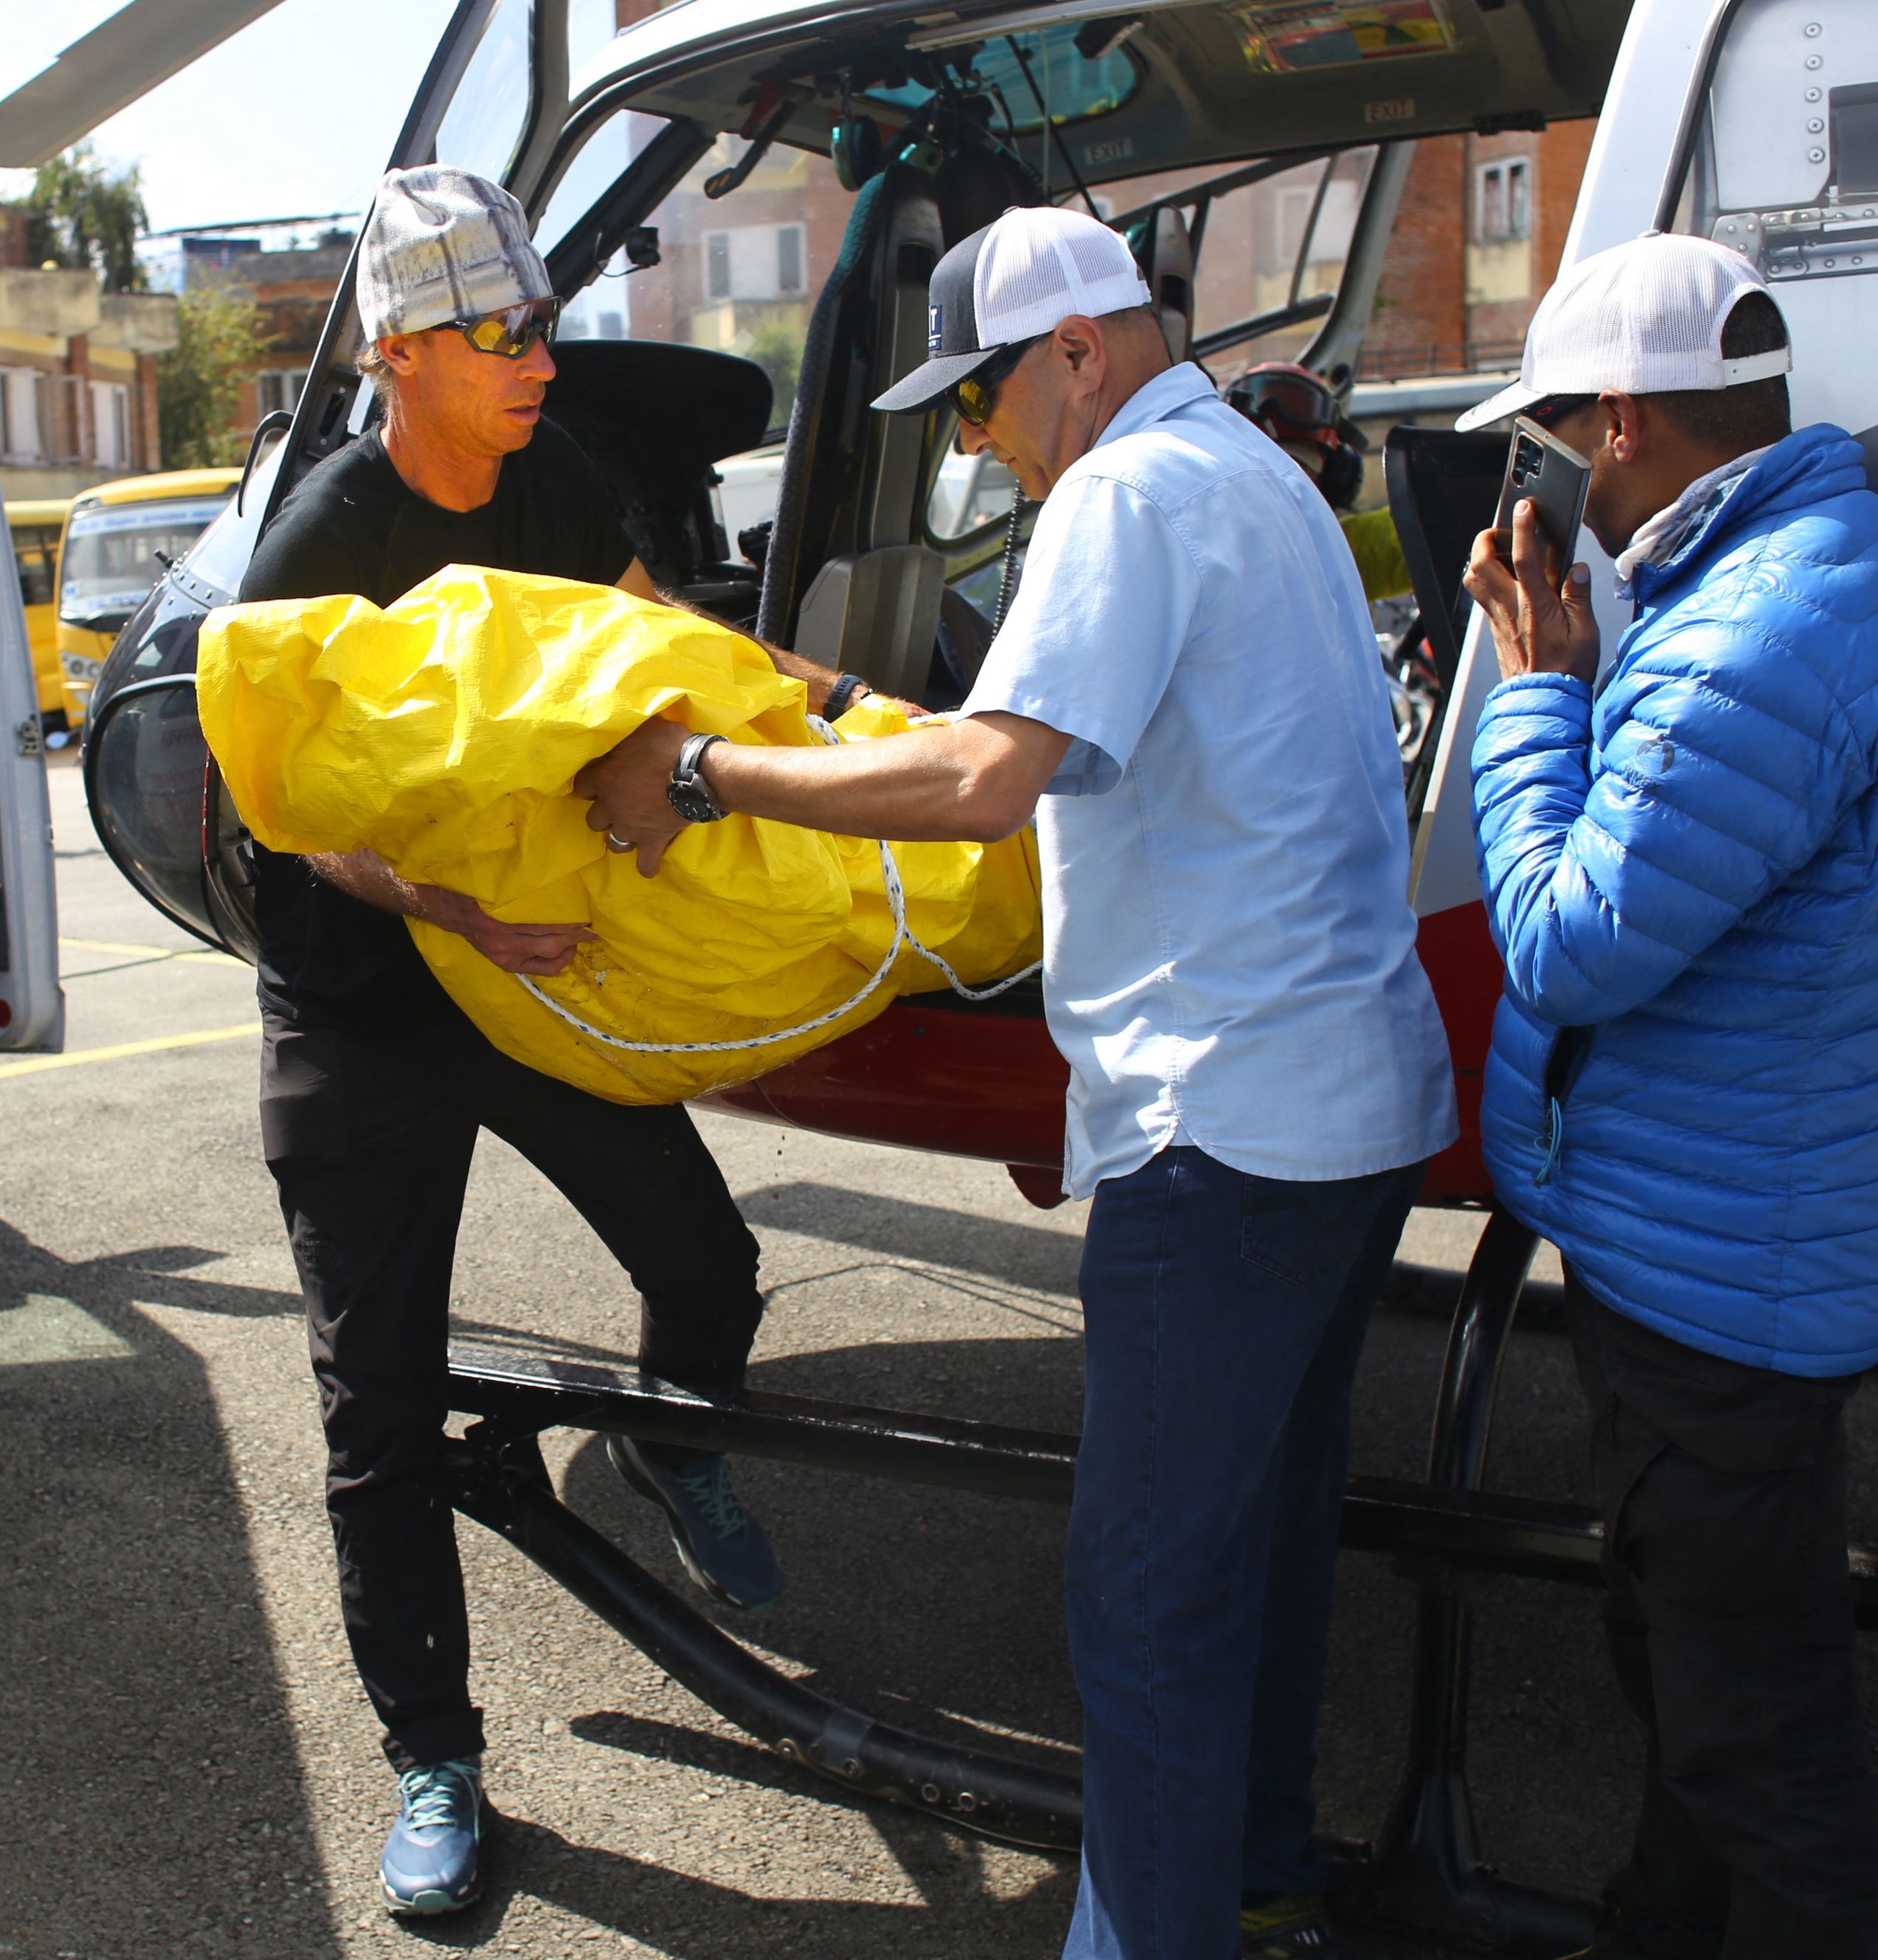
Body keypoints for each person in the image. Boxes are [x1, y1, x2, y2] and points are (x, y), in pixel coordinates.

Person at [578, 204, 1458, 1960]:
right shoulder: (1252, 473)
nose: (971, 444)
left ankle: (1143, 1934)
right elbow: (1028, 743)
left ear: (1077, 352)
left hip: (1230, 1133)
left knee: (1141, 1589)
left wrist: (699, 769)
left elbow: (984, 779)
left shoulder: (1120, 494)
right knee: (1260, 1538)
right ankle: (1253, 1864)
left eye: (977, 401)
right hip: (1345, 1105)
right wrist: (784, 681)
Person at [234, 165, 848, 1918]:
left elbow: (668, 637)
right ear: (394, 349)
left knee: (706, 1261)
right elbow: (273, 811)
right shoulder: (323, 546)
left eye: (541, 328)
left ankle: (672, 1434)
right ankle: (433, 1752)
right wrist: (451, 912)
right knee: (378, 1400)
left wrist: (824, 700)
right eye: (496, 335)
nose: (532, 362)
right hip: (364, 995)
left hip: (533, 979)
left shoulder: (549, 473)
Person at [1453, 232, 1878, 1959]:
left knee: (1756, 1722)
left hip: (1714, 1274)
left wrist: (1531, 690)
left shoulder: (1760, 629)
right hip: (1719, 1228)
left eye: (1545, 447)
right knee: (1689, 1658)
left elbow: (1570, 944)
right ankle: (1661, 1922)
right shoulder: (1785, 573)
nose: (1543, 490)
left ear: (1615, 425)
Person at [1222, 362, 1409, 603]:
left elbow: (1436, 523)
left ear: (1333, 483)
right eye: (1258, 478)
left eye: (1297, 476)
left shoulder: (1344, 553)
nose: (1277, 496)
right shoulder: (1189, 561)